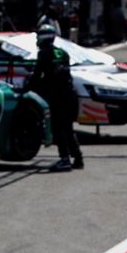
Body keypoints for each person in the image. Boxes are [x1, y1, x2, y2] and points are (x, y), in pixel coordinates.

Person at [24, 23, 80, 172]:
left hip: (58, 96)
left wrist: (25, 88)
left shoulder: (44, 53)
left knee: (58, 128)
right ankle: (78, 157)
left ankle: (64, 159)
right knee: (68, 128)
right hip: (70, 93)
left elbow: (37, 75)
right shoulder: (62, 53)